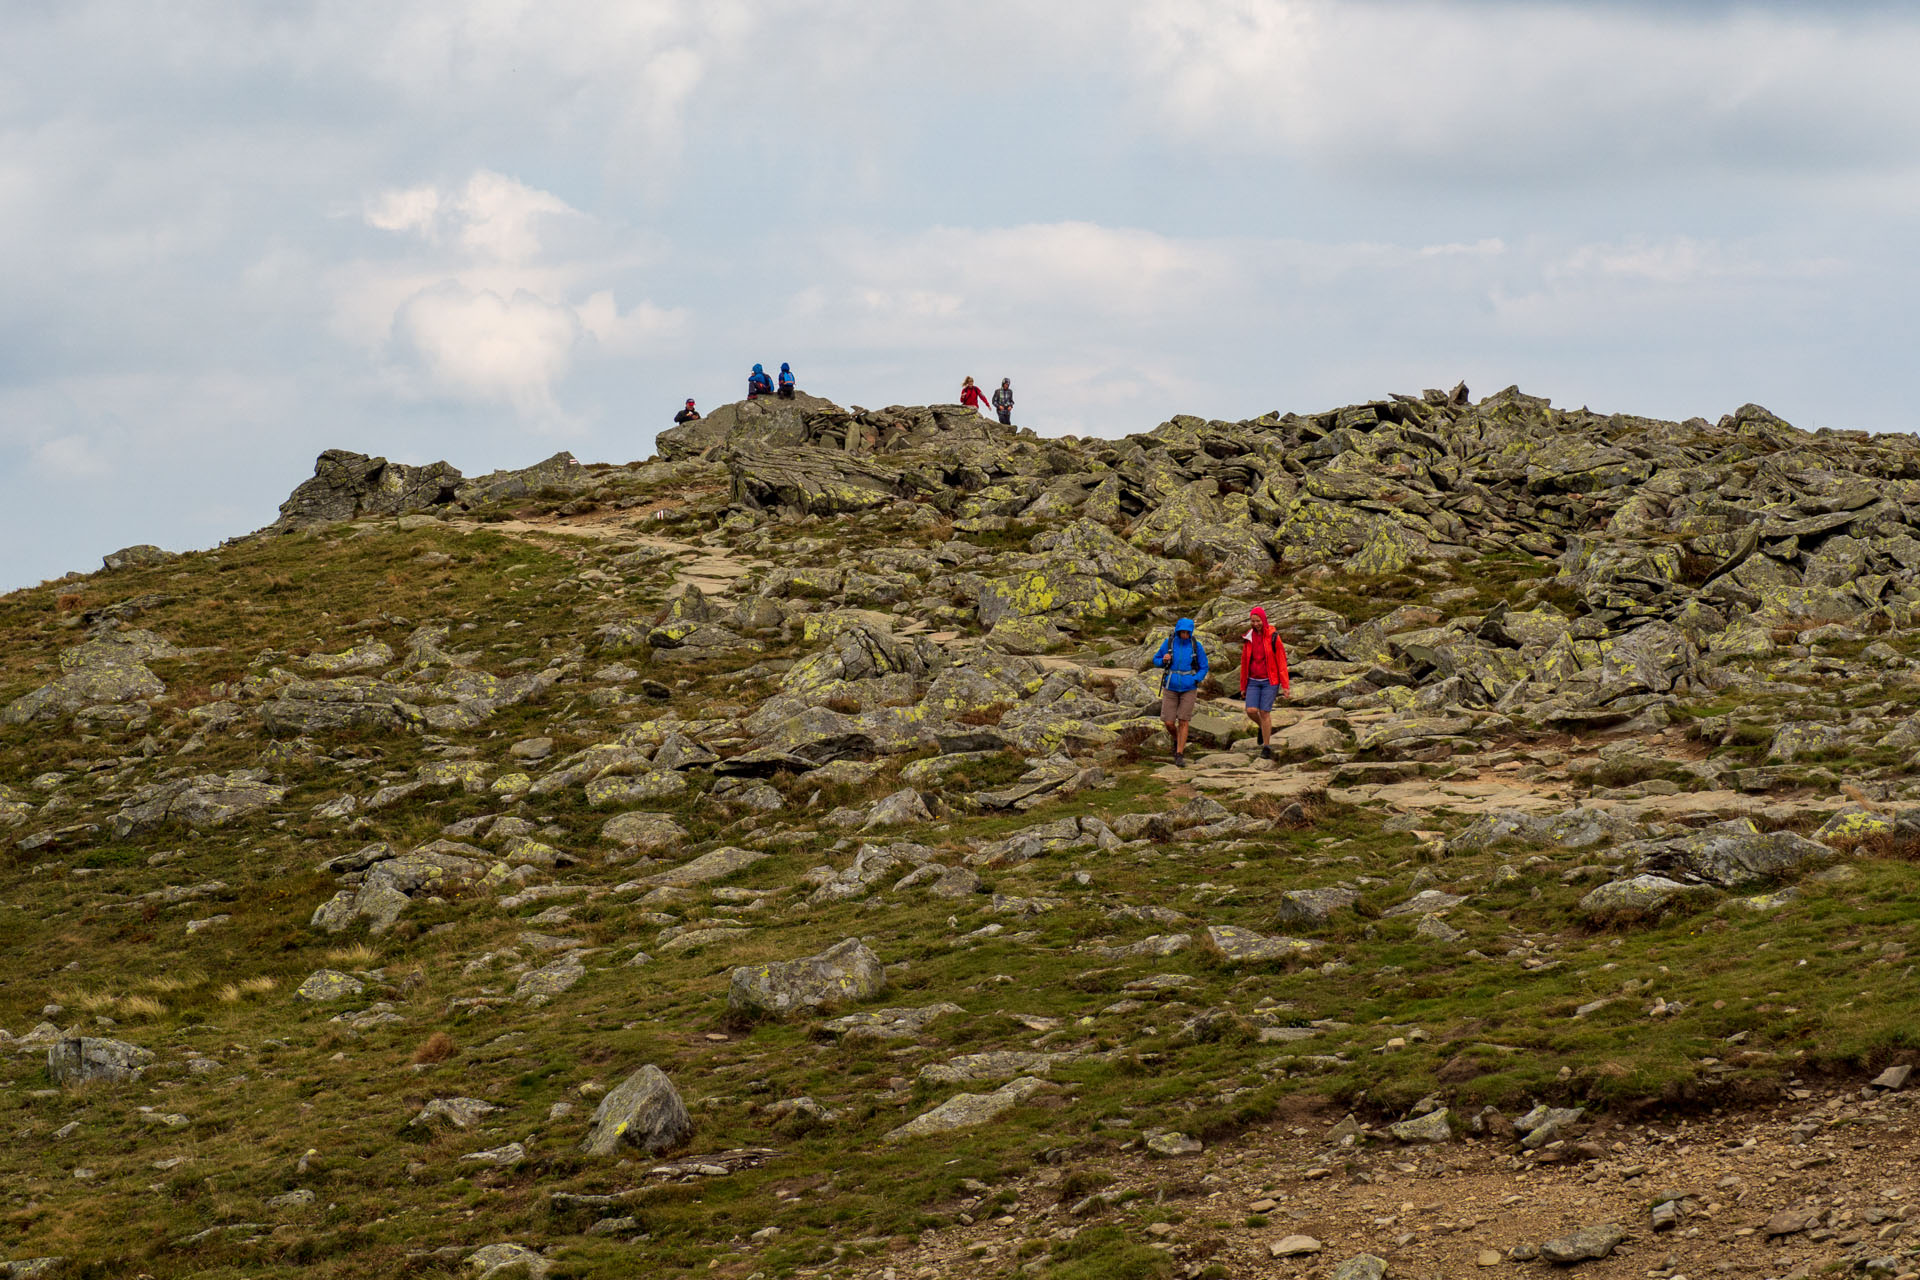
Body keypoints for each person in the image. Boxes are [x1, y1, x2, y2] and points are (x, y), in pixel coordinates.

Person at [1153, 618, 1209, 768]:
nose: (1184, 634)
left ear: (1191, 632)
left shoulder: (1196, 646)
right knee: (1169, 722)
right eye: (1182, 632)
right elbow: (1156, 659)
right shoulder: (1169, 643)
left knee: (1184, 720)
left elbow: (1204, 667)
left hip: (1189, 688)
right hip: (1170, 686)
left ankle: (1179, 754)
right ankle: (1178, 738)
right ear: (1178, 631)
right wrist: (1163, 660)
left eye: (1187, 632)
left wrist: (1195, 679)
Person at [1239, 606, 1290, 759]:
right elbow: (1244, 663)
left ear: (1264, 620)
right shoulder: (1248, 638)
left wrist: (1285, 685)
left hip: (1270, 681)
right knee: (1251, 711)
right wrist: (1243, 686)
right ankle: (1263, 728)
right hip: (1253, 681)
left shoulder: (1274, 636)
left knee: (1264, 712)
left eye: (1258, 621)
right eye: (1253, 621)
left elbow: (1281, 661)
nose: (1255, 624)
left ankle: (1266, 746)